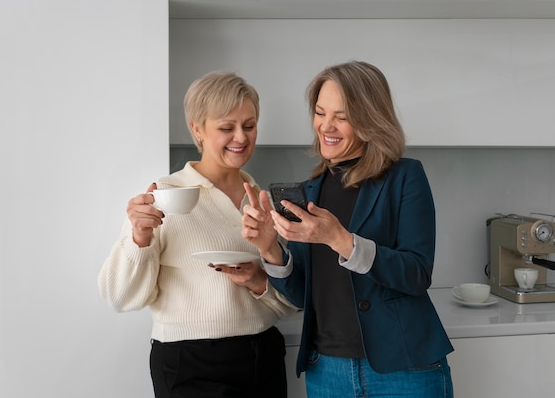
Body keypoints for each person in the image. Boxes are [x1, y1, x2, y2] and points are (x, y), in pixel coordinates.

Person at [241, 61, 454, 397]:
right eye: (320, 112)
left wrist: (341, 240)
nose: (326, 126)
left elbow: (416, 273)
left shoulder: (404, 178)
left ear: (371, 120)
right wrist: (270, 250)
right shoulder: (310, 190)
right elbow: (301, 296)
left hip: (404, 369)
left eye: (341, 116)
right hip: (327, 371)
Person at [98, 71, 297, 398]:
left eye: (249, 125)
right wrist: (139, 238)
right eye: (226, 127)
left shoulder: (262, 199)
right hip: (191, 362)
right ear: (197, 129)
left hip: (263, 354)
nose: (241, 137)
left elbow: (290, 302)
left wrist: (259, 280)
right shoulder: (164, 195)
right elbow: (120, 297)